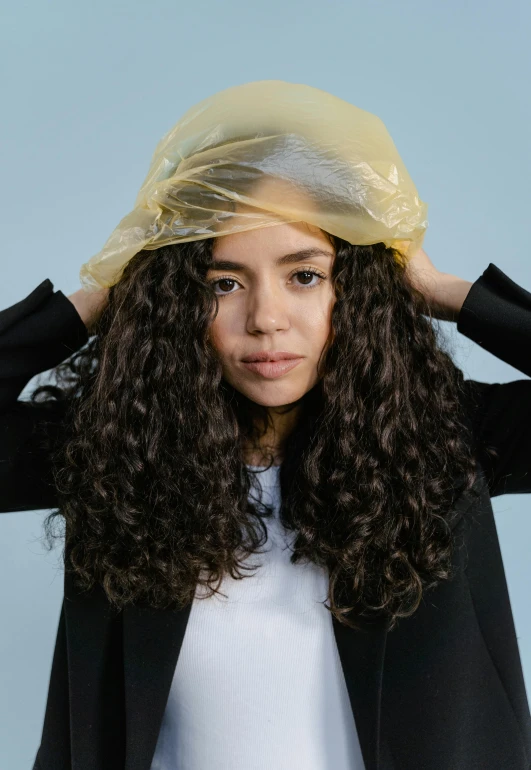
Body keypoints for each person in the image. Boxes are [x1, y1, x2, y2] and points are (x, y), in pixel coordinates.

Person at [1, 224, 531, 770]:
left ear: (356, 290)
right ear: (176, 301)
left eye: (305, 276)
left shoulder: (443, 440)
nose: (265, 319)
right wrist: (95, 303)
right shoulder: (116, 454)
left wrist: (443, 290)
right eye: (222, 284)